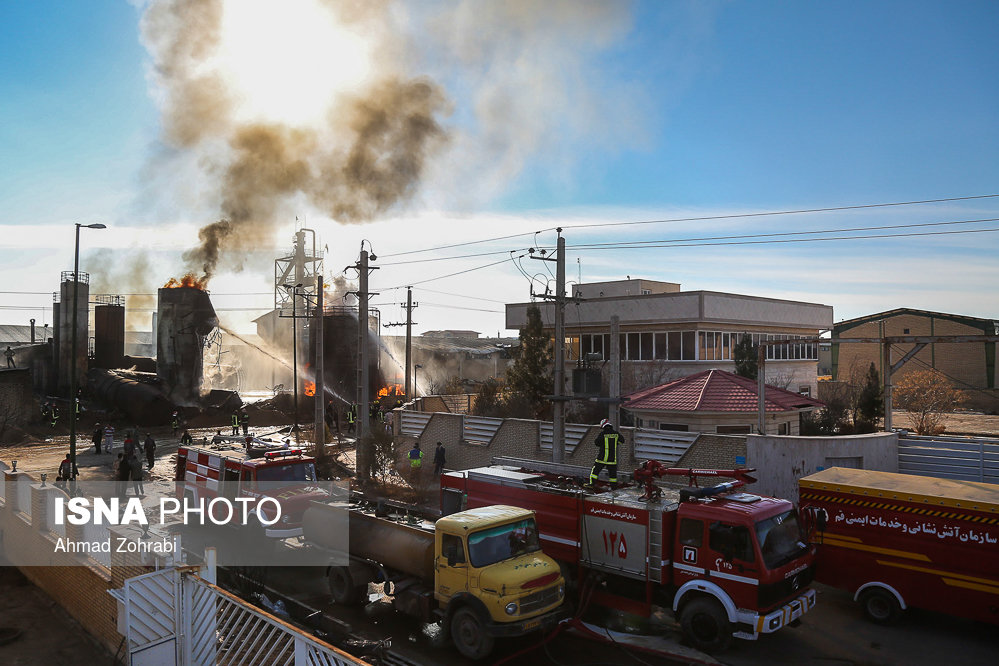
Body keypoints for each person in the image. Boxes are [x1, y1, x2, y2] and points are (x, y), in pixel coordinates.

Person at [590, 419, 622, 488]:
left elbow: (597, 443)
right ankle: (614, 487)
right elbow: (622, 440)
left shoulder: (602, 434)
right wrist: (615, 443)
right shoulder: (616, 434)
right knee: (613, 476)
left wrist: (603, 445)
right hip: (612, 459)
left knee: (595, 471)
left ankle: (592, 484)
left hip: (602, 458)